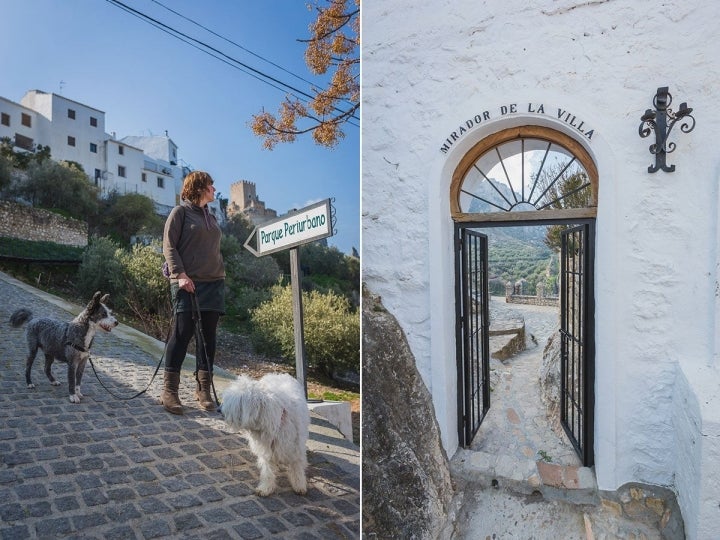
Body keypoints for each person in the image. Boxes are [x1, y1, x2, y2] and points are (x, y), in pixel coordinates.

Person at [161, 170, 225, 415]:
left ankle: (204, 391)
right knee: (181, 333)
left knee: (208, 338)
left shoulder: (212, 216)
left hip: (214, 283)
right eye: (211, 185)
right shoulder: (180, 213)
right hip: (186, 282)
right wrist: (180, 275)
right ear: (199, 187)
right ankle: (169, 391)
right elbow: (169, 245)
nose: (214, 189)